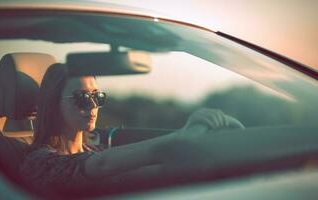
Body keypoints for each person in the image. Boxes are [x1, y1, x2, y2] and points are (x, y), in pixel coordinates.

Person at [20, 63, 244, 195]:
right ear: (53, 103)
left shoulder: (93, 150)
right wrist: (181, 137)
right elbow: (101, 165)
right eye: (81, 98)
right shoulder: (39, 162)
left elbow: (144, 173)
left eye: (97, 96)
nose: (93, 106)